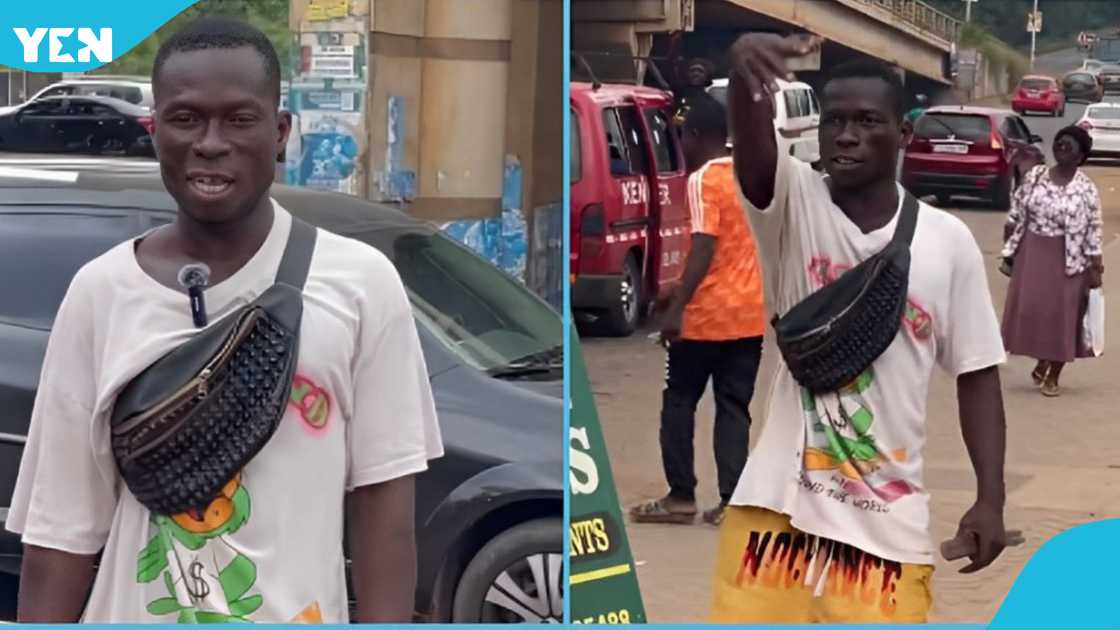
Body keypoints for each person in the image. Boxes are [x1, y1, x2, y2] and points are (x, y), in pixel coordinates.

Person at [6, 17, 442, 623]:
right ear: (155, 132)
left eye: (240, 119)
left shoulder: (361, 284)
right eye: (185, 119)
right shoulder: (100, 293)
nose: (211, 142)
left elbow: (385, 517)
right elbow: (61, 532)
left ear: (281, 132)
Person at [709, 34, 1009, 623]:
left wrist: (990, 500)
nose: (847, 135)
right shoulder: (793, 205)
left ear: (903, 135)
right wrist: (745, 77)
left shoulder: (948, 243)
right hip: (776, 518)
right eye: (835, 121)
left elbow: (977, 375)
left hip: (887, 532)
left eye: (868, 121)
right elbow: (753, 149)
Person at [629, 93, 766, 527]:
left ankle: (681, 496)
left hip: (706, 318)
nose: (681, 147)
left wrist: (677, 309)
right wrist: (674, 290)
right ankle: (732, 502)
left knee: (679, 401)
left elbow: (705, 245)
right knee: (734, 408)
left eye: (682, 137)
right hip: (749, 316)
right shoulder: (748, 175)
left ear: (696, 135)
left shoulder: (702, 179)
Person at [1001, 125, 1103, 397]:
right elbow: (1016, 212)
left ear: (1081, 155)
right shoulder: (1036, 176)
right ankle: (1042, 359)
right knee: (1034, 312)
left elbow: (1094, 227)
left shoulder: (1086, 189)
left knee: (1064, 317)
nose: (1061, 147)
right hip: (1033, 252)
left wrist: (1096, 266)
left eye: (1068, 145)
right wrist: (1008, 248)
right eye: (1059, 142)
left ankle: (1054, 374)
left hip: (1071, 258)